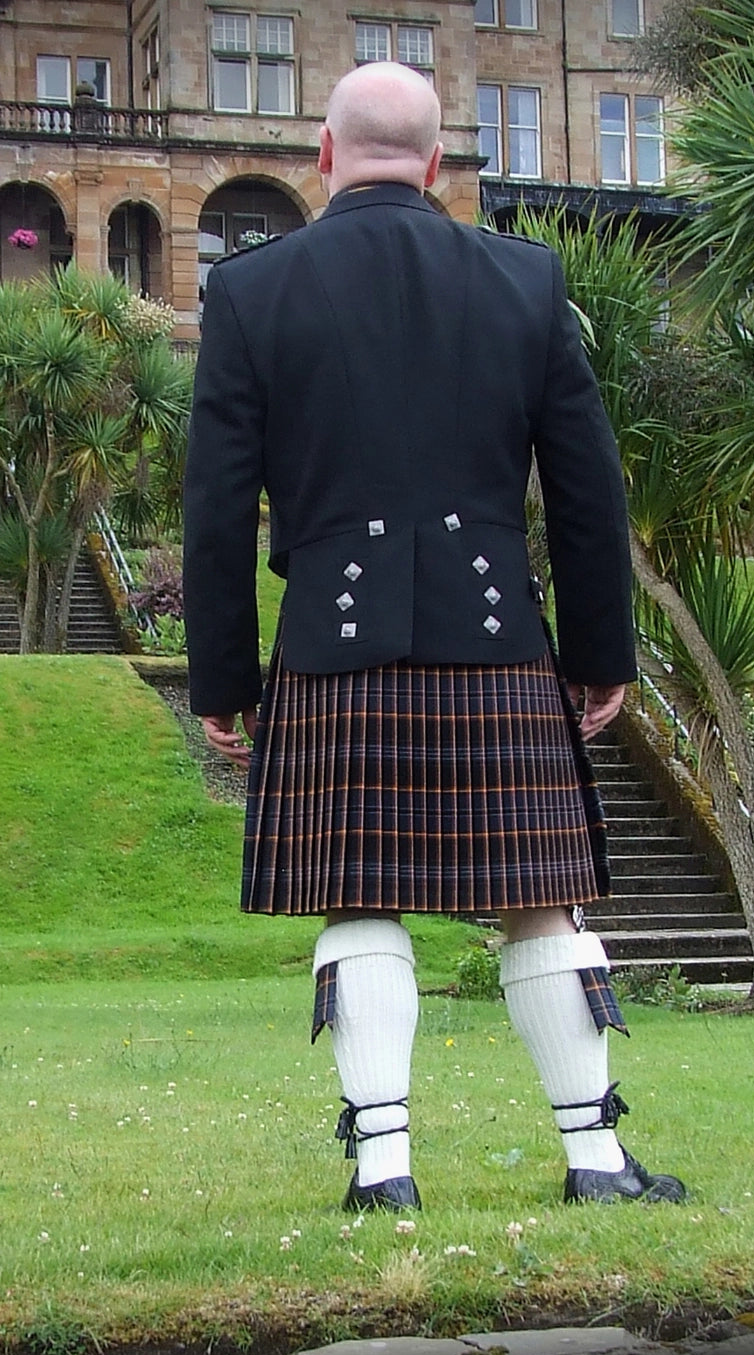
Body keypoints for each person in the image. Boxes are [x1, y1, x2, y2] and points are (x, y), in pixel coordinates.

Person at [183, 61, 686, 1213]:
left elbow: (214, 504)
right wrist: (600, 651)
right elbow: (588, 489)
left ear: (323, 152)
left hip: (332, 644)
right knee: (541, 897)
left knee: (359, 895)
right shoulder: (522, 277)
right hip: (496, 635)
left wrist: (225, 673)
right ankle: (598, 1163)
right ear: (434, 158)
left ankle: (383, 1174)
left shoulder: (254, 292)